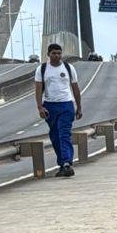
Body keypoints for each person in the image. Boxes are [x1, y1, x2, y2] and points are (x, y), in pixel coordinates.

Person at [34, 43, 83, 178]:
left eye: (59, 53)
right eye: (54, 53)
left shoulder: (68, 68)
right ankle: (62, 165)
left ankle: (67, 162)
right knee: (54, 136)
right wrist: (40, 107)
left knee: (64, 134)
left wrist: (79, 107)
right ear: (48, 54)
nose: (57, 56)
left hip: (66, 105)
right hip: (50, 106)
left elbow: (75, 88)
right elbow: (38, 89)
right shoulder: (42, 69)